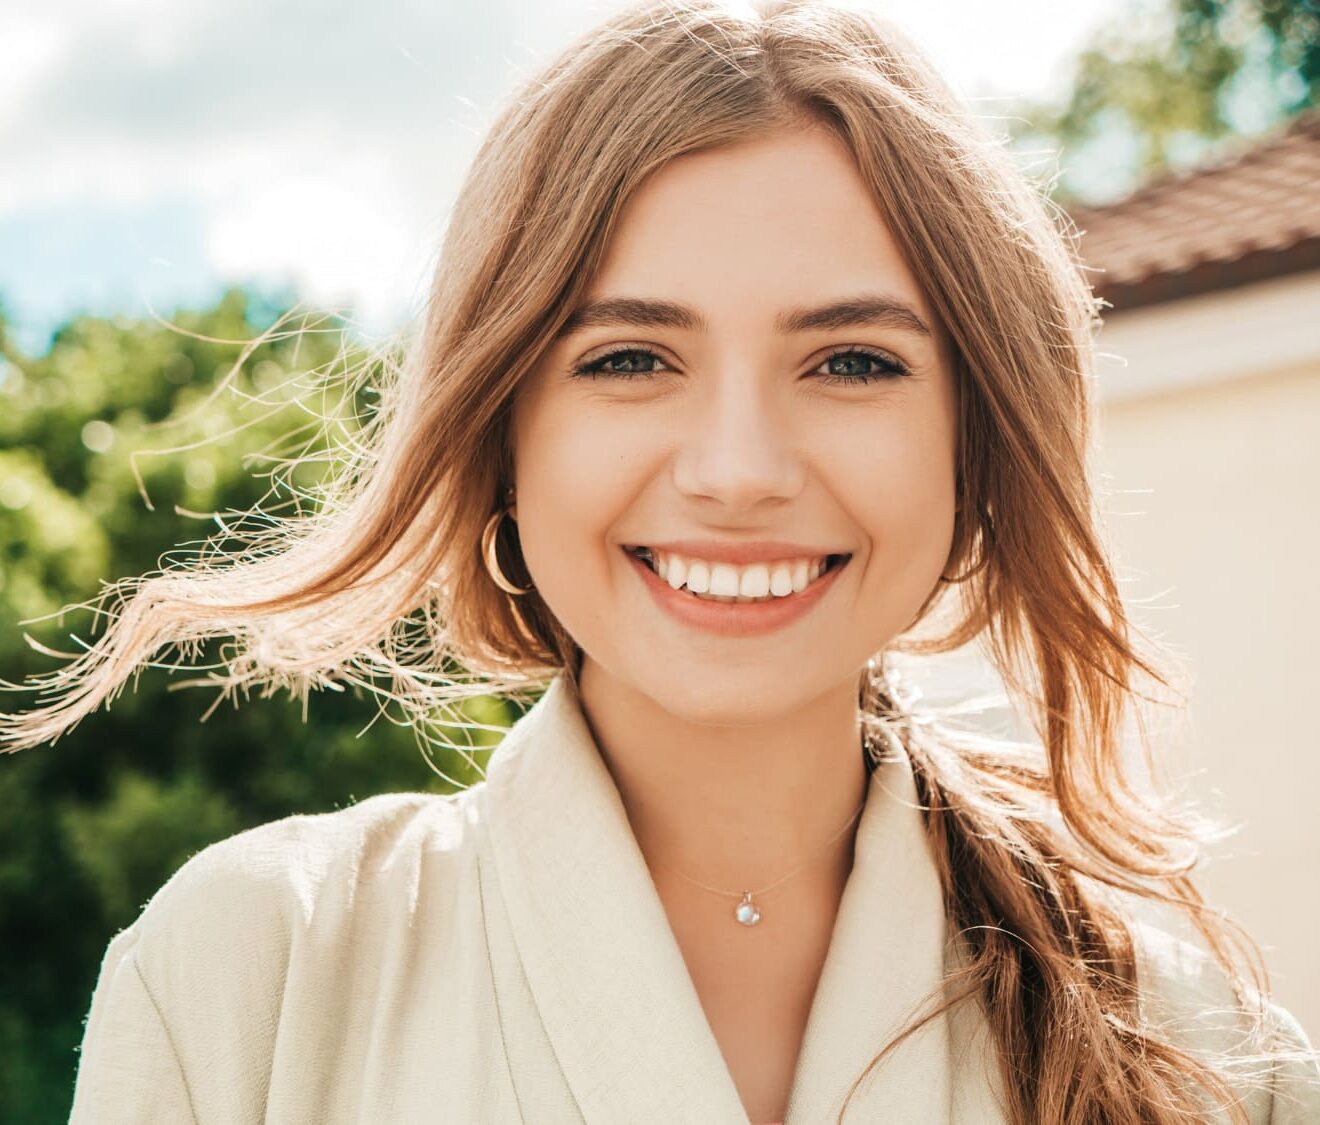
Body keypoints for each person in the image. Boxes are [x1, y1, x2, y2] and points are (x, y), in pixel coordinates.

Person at [6, 1, 1316, 1122]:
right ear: (501, 427)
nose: (738, 466)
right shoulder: (252, 976)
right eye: (630, 359)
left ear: (975, 438)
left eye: (852, 361)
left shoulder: (1199, 1053)